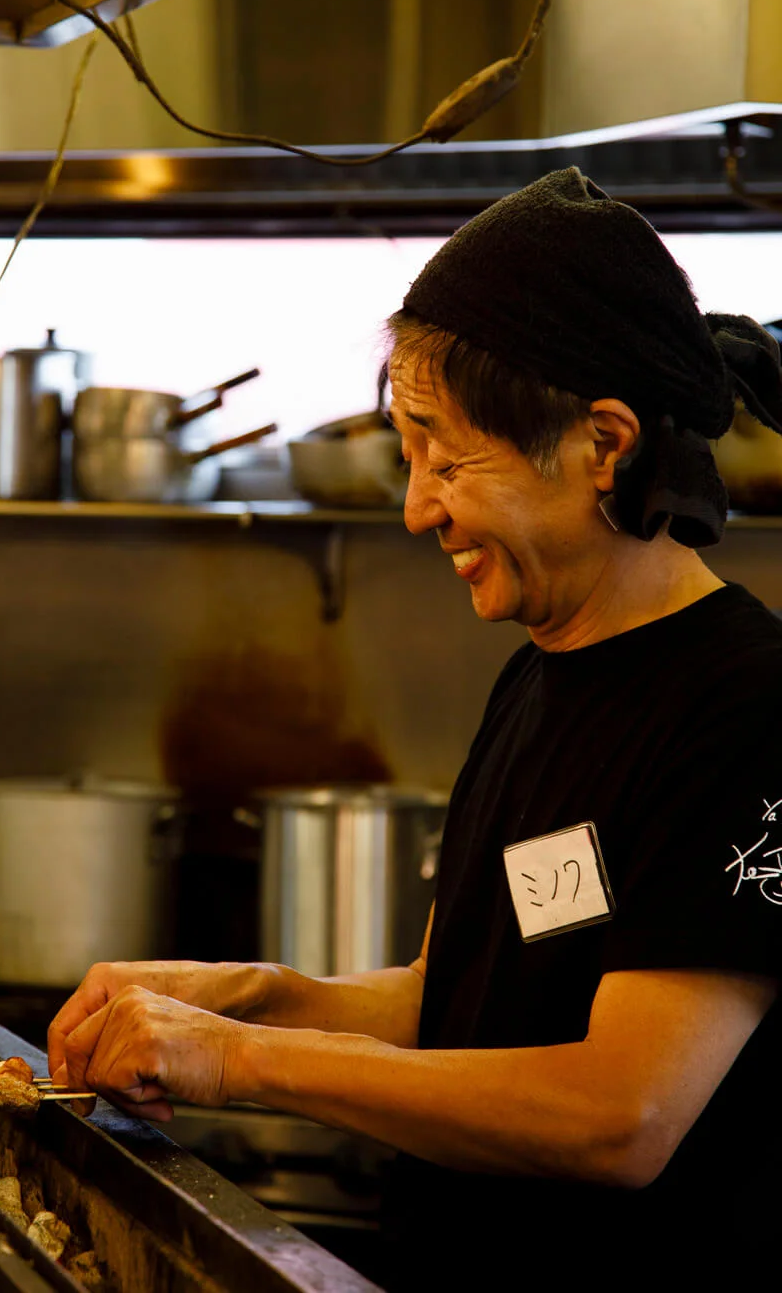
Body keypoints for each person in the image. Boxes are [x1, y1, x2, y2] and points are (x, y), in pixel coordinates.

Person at [49, 168, 782, 1284]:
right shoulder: (539, 680)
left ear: (602, 444)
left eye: (446, 453)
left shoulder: (746, 708)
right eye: (407, 453)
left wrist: (245, 1060)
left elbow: (621, 1113)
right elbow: (459, 1000)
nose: (416, 505)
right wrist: (245, 991)